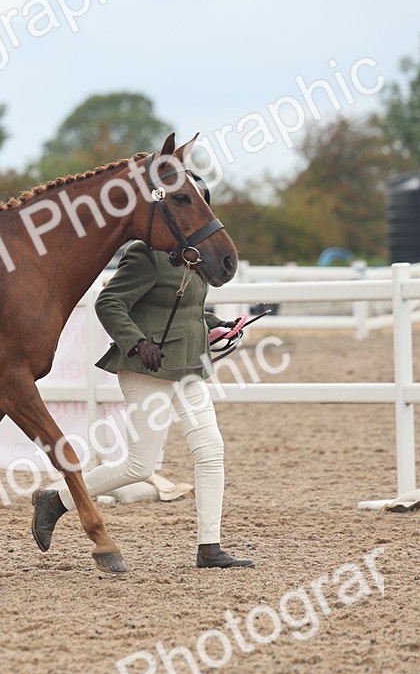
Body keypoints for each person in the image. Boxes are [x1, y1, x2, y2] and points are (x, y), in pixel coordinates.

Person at [31, 240, 254, 568]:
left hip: (187, 365)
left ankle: (209, 547)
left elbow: (187, 309)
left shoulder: (196, 256)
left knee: (210, 450)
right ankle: (56, 501)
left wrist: (215, 324)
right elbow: (109, 303)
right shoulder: (146, 254)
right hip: (147, 366)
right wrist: (136, 343)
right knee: (140, 466)